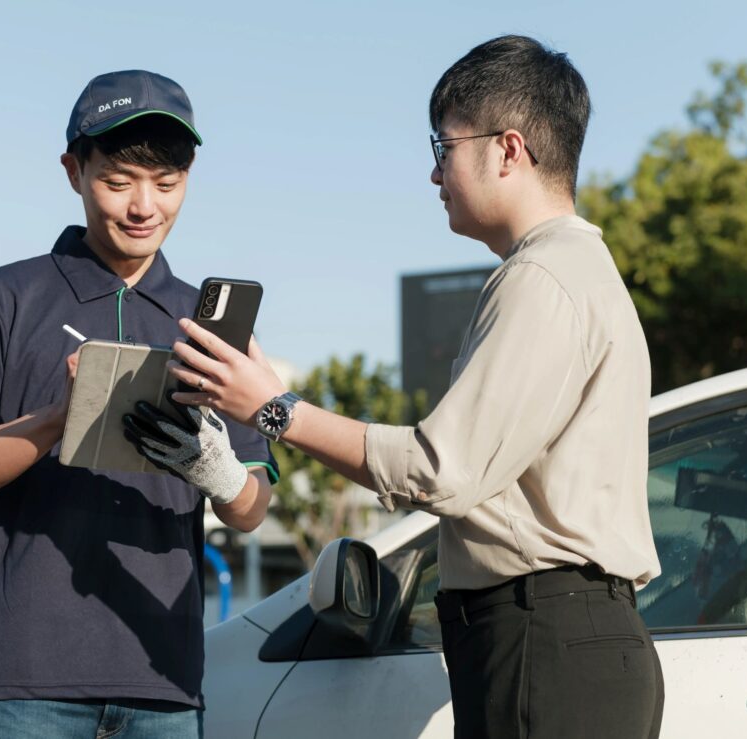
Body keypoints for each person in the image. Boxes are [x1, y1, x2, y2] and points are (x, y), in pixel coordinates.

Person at [126, 36, 665, 739]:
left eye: (443, 148)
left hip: (545, 638)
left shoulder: (543, 277)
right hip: (562, 635)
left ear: (508, 150)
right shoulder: (575, 269)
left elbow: (442, 470)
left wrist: (272, 407)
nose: (434, 174)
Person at [0, 70, 277, 739]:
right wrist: (62, 413)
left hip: (164, 686)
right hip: (20, 686)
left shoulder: (209, 323)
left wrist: (220, 470)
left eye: (167, 185)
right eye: (119, 181)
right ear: (73, 171)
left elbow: (253, 507)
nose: (145, 206)